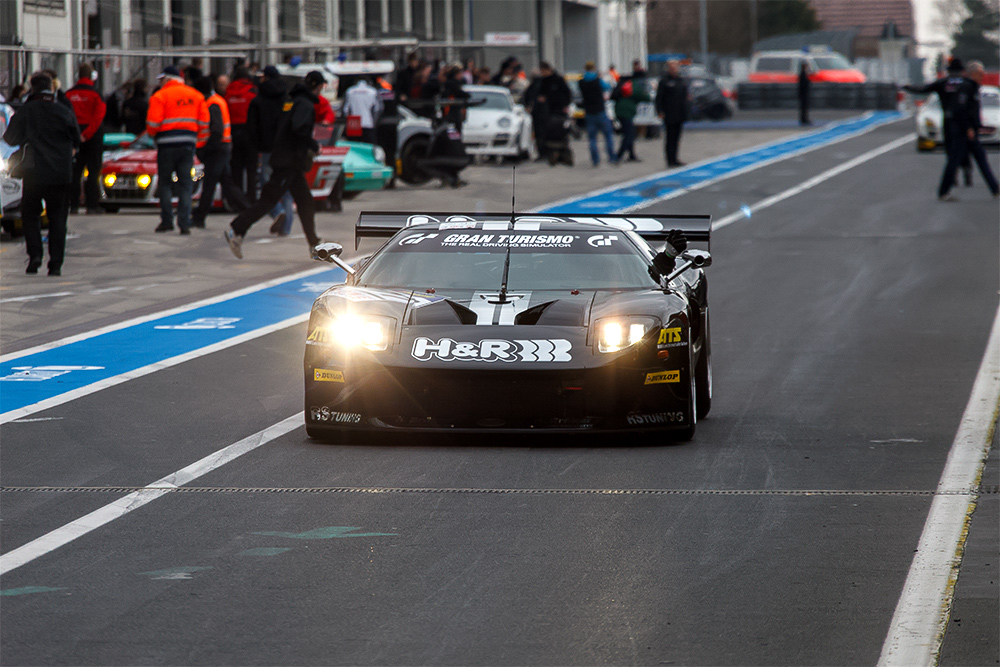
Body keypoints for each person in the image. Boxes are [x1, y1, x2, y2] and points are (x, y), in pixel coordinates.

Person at [224, 70, 326, 259]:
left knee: (305, 201)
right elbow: (298, 129)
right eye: (322, 86)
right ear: (317, 86)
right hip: (288, 161)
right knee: (269, 200)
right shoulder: (304, 104)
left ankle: (314, 244)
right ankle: (236, 228)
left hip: (289, 161)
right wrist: (313, 145)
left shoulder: (293, 101)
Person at [3, 73, 81, 275]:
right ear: (51, 88)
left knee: (30, 215)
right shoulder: (63, 110)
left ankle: (35, 257)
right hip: (61, 173)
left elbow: (10, 139)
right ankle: (56, 264)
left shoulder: (26, 111)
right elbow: (77, 139)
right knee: (58, 218)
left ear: (32, 88)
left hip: (34, 171)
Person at [903, 58, 984, 201]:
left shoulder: (943, 83)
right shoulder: (967, 84)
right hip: (966, 122)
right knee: (967, 151)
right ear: (963, 71)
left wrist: (907, 87)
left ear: (948, 71)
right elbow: (973, 105)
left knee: (951, 151)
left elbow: (923, 89)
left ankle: (953, 178)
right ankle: (967, 172)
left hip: (948, 121)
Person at [146, 65, 203, 233]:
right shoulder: (196, 96)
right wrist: (198, 142)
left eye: (162, 79)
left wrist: (153, 134)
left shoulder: (160, 96)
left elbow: (153, 124)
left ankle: (167, 221)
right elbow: (204, 122)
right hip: (187, 145)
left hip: (166, 146)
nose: (161, 82)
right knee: (185, 184)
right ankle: (185, 223)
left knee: (165, 184)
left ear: (168, 79)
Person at [191, 75, 250, 228]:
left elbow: (216, 130)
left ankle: (199, 217)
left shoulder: (212, 104)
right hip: (220, 147)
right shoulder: (216, 101)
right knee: (226, 182)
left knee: (210, 183)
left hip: (216, 148)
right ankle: (249, 210)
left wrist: (206, 147)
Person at [246, 65, 294, 235]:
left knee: (266, 185)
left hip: (266, 150)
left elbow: (251, 127)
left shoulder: (257, 100)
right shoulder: (288, 99)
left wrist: (256, 146)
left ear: (265, 77)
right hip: (285, 150)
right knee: (286, 186)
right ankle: (286, 226)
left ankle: (276, 211)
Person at [65, 63, 106, 214]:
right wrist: (87, 134)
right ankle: (92, 205)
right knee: (93, 172)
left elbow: (65, 115)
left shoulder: (69, 94)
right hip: (93, 137)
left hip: (74, 136)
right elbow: (98, 117)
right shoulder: (96, 94)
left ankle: (73, 205)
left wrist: (76, 134)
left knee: (75, 172)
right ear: (91, 76)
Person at [960, 61, 1000, 198]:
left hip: (973, 130)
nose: (983, 76)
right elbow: (963, 109)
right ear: (973, 74)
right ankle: (944, 190)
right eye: (980, 74)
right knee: (955, 160)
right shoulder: (966, 87)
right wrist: (968, 127)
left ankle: (995, 188)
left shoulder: (975, 87)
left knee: (980, 159)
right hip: (966, 131)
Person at [224, 66, 258, 201]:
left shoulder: (228, 92)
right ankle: (251, 198)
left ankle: (237, 200)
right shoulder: (252, 91)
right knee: (251, 169)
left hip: (233, 132)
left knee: (236, 168)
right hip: (250, 132)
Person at [578, 61, 616, 166]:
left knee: (592, 138)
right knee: (608, 135)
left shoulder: (581, 82)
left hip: (589, 112)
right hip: (600, 110)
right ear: (594, 68)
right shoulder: (597, 80)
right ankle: (611, 157)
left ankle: (595, 160)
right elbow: (608, 87)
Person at [655, 59, 688, 167]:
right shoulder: (664, 81)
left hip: (679, 113)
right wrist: (659, 110)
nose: (674, 69)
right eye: (672, 67)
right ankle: (670, 160)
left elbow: (685, 97)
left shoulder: (681, 80)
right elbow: (659, 97)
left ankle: (675, 158)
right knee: (670, 137)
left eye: (676, 67)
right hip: (669, 113)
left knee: (677, 137)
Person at [612, 75, 649, 162]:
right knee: (629, 134)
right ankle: (619, 155)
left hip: (619, 111)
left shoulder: (620, 84)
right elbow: (645, 97)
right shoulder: (634, 85)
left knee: (628, 132)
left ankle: (631, 155)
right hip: (627, 112)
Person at [341, 76, 382, 143]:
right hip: (368, 121)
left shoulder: (350, 91)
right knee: (368, 146)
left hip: (353, 122)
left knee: (354, 147)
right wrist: (374, 121)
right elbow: (377, 109)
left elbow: (345, 110)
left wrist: (347, 122)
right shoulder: (372, 91)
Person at [797, 60, 811, 126]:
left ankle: (804, 119)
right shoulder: (802, 74)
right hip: (803, 93)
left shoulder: (804, 73)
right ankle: (803, 120)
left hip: (805, 93)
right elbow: (802, 85)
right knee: (803, 108)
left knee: (805, 108)